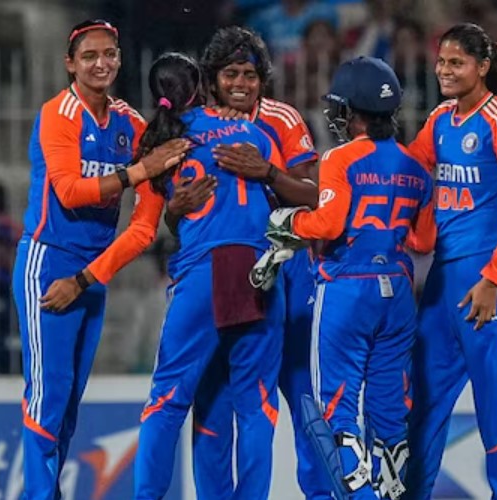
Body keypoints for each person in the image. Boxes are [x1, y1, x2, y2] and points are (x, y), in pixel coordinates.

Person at [10, 20, 189, 499]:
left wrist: (87, 278)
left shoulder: (131, 124)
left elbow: (144, 229)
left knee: (68, 404)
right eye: (89, 56)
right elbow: (69, 192)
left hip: (89, 274)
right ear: (70, 63)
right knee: (47, 395)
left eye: (109, 54)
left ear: (120, 59)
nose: (101, 63)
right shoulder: (59, 113)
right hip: (48, 262)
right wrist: (138, 172)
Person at [270, 55, 432, 499]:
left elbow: (327, 224)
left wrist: (289, 223)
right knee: (390, 412)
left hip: (347, 288)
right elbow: (423, 240)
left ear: (352, 110)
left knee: (337, 410)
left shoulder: (340, 157)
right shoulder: (416, 167)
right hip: (397, 291)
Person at [132, 52, 287, 500]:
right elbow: (282, 201)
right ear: (204, 85)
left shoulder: (162, 141)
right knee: (256, 406)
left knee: (168, 401)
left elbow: (165, 215)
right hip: (258, 269)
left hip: (203, 272)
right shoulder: (256, 133)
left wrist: (175, 211)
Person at [182, 25, 326, 499]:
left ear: (263, 79)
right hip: (218, 268)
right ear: (212, 79)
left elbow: (315, 196)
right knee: (212, 395)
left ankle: (320, 493)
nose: (241, 84)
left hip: (287, 270)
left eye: (249, 74)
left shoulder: (281, 118)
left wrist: (267, 172)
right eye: (230, 74)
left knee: (300, 392)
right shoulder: (194, 124)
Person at [403, 23, 497, 499]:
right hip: (444, 277)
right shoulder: (440, 118)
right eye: (441, 62)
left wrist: (494, 278)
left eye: (456, 63)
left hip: (489, 276)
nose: (444, 70)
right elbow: (410, 169)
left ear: (481, 67)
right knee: (423, 397)